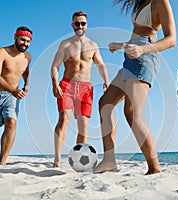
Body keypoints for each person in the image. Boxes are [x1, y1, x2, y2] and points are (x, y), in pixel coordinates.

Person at [93, 0, 176, 175]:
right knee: (105, 104)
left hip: (145, 57)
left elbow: (172, 39)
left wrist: (143, 50)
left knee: (133, 115)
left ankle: (154, 168)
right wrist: (122, 45)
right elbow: (137, 35)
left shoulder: (160, 1)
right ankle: (109, 160)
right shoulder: (141, 3)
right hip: (130, 57)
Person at [51, 11, 109, 168]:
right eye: (77, 23)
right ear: (72, 25)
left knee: (83, 124)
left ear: (87, 25)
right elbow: (55, 65)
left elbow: (101, 64)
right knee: (64, 118)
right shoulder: (66, 44)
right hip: (67, 85)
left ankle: (79, 159)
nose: (80, 26)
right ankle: (57, 159)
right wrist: (54, 83)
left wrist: (106, 80)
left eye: (83, 23)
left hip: (85, 87)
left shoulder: (93, 45)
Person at [0, 26, 32, 165]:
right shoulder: (1, 52)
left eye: (28, 41)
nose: (25, 44)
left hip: (12, 97)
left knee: (11, 123)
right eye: (22, 40)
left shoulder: (27, 57)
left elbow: (25, 71)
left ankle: (2, 161)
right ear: (15, 37)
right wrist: (12, 90)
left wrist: (26, 84)